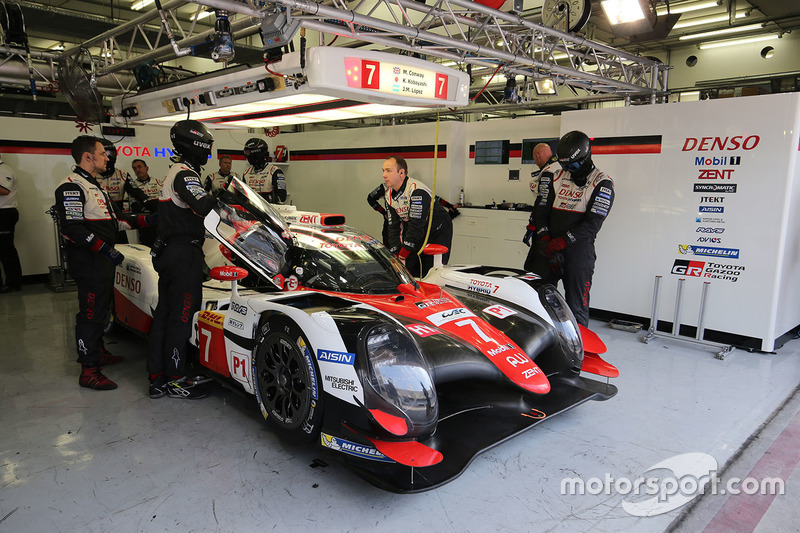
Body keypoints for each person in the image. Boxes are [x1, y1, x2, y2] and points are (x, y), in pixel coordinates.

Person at [54, 136, 157, 390]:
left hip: (100, 261)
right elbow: (71, 229)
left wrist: (149, 219)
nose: (107, 157)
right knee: (90, 314)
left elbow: (116, 221)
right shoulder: (71, 186)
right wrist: (104, 250)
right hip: (89, 261)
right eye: (102, 153)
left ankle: (97, 352)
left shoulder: (94, 185)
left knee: (100, 310)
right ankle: (88, 370)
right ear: (88, 157)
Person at [147, 120, 217, 400]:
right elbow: (201, 205)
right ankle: (176, 379)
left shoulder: (175, 170)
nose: (208, 152)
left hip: (170, 252)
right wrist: (221, 194)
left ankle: (157, 378)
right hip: (182, 254)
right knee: (181, 317)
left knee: (164, 316)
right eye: (207, 147)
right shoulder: (185, 174)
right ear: (196, 145)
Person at [529, 131, 614, 326]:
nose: (568, 169)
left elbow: (592, 225)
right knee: (536, 302)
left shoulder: (602, 183)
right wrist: (545, 241)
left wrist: (561, 243)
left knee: (577, 309)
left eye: (572, 165)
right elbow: (540, 212)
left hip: (577, 253)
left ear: (585, 158)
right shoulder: (552, 175)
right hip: (547, 248)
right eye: (564, 164)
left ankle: (578, 353)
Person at [383, 155, 453, 278]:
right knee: (409, 269)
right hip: (416, 227)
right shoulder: (388, 195)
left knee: (432, 271)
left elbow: (417, 224)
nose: (384, 175)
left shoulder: (416, 190)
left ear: (401, 173)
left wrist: (403, 254)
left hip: (437, 229)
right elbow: (393, 227)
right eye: (383, 171)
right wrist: (396, 253)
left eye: (388, 171)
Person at [97, 139, 148, 244]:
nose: (108, 158)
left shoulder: (123, 175)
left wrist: (155, 206)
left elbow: (138, 193)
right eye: (105, 154)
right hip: (98, 224)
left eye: (111, 154)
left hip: (117, 224)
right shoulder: (91, 176)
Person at [523, 142, 559, 272]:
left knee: (532, 269)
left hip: (544, 229)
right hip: (560, 227)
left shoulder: (548, 171)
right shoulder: (561, 167)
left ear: (537, 155)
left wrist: (532, 225)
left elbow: (542, 202)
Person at [0, 155, 22, 293]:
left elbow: (4, 190)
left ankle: (13, 283)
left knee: (6, 249)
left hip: (4, 214)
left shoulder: (4, 170)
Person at [242, 138, 286, 204]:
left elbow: (282, 196)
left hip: (271, 210)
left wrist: (263, 198)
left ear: (256, 152)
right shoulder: (246, 173)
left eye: (248, 153)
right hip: (253, 210)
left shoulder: (275, 171)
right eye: (246, 153)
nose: (247, 156)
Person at [131, 159, 162, 246]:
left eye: (139, 167)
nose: (137, 170)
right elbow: (133, 204)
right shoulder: (132, 185)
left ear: (146, 168)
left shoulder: (157, 182)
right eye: (134, 168)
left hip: (158, 219)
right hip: (143, 221)